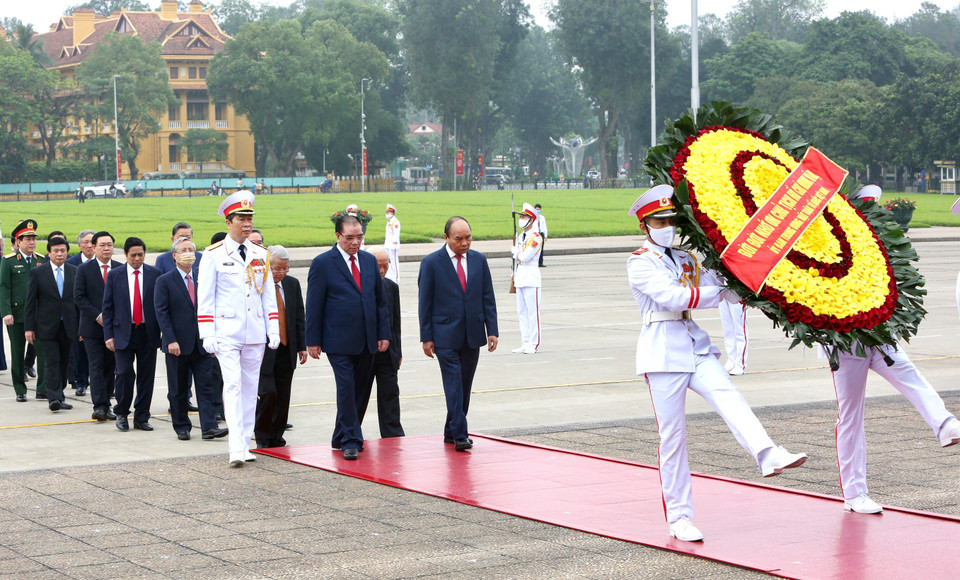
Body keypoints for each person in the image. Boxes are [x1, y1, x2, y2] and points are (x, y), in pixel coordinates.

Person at [626, 185, 807, 542]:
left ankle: (767, 454)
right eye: (659, 221)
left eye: (671, 220)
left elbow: (718, 283)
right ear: (645, 226)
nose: (668, 226)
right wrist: (720, 291)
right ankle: (679, 516)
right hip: (662, 352)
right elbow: (674, 297)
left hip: (694, 344)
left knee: (729, 396)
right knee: (673, 438)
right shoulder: (640, 261)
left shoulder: (686, 258)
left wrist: (748, 277)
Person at [825, 184, 960, 515]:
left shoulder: (876, 244)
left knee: (909, 373)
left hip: (880, 335)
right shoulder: (830, 247)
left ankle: (944, 423)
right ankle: (855, 493)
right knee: (851, 415)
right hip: (846, 343)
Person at [197, 190, 280, 467]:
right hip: (227, 331)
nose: (247, 224)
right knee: (232, 385)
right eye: (241, 219)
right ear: (228, 222)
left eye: (249, 218)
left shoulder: (261, 254)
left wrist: (274, 328)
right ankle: (235, 447)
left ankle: (245, 443)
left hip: (255, 330)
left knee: (250, 387)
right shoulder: (213, 255)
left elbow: (268, 294)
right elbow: (206, 297)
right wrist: (206, 332)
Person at [306, 215, 391, 460]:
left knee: (359, 390)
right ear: (338, 237)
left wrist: (383, 333)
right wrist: (312, 339)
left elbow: (378, 301)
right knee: (346, 388)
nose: (355, 242)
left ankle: (340, 435)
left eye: (359, 237)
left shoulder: (367, 260)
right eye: (349, 238)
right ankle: (352, 440)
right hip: (337, 339)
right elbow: (314, 304)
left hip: (367, 338)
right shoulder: (323, 263)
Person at [418, 217, 498, 451]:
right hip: (444, 335)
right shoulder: (432, 262)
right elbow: (425, 302)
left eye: (468, 237)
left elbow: (487, 297)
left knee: (464, 386)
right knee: (453, 383)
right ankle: (461, 434)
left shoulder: (479, 260)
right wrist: (426, 337)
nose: (465, 243)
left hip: (472, 333)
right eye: (459, 239)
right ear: (446, 238)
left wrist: (492, 330)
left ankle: (451, 429)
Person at [154, 237, 227, 441]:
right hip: (177, 344)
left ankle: (209, 427)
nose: (188, 253)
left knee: (206, 386)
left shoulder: (202, 278)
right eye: (183, 250)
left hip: (201, 343)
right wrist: (170, 340)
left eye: (191, 249)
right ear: (174, 256)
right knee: (178, 388)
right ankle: (182, 426)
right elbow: (162, 313)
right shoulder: (164, 281)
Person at [103, 237, 161, 432]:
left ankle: (142, 416)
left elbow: (160, 306)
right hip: (123, 332)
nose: (137, 258)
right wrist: (108, 335)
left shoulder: (154, 274)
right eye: (133, 255)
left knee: (146, 376)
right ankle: (121, 412)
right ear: (125, 255)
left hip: (147, 333)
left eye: (141, 255)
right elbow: (108, 307)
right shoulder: (115, 275)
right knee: (124, 374)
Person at [255, 245, 306, 448]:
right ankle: (263, 436)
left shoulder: (292, 284)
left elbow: (298, 317)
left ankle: (277, 435)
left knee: (283, 396)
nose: (281, 273)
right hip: (264, 350)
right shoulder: (257, 285)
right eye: (277, 269)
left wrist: (301, 346)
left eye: (285, 268)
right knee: (268, 393)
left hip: (287, 348)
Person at [24, 236, 78, 413]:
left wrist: (80, 326)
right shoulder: (38, 272)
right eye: (56, 251)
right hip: (46, 326)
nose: (60, 254)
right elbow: (30, 302)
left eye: (63, 250)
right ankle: (53, 397)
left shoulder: (74, 271)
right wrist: (29, 328)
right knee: (52, 361)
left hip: (68, 325)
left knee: (64, 361)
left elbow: (78, 302)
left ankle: (59, 394)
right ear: (49, 253)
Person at [74, 231, 121, 421]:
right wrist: (97, 315)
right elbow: (79, 297)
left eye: (109, 245)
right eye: (102, 245)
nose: (106, 248)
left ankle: (107, 403)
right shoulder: (84, 270)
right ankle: (99, 406)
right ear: (94, 247)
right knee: (96, 365)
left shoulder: (119, 268)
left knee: (111, 366)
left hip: (114, 327)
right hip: (92, 328)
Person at [359, 247, 405, 438]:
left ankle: (392, 433)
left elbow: (396, 322)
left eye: (385, 266)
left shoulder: (391, 287)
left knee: (390, 394)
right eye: (378, 266)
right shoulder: (358, 287)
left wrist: (398, 351)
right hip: (364, 351)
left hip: (388, 352)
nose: (382, 271)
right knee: (359, 396)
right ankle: (350, 432)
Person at [1, 220, 47, 402]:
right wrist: (6, 312)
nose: (32, 242)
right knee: (17, 351)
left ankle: (42, 388)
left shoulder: (41, 260)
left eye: (33, 239)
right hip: (17, 315)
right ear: (18, 242)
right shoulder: (9, 261)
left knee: (43, 351)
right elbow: (3, 287)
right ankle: (20, 389)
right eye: (27, 239)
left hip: (38, 315)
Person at [511, 204, 543, 355]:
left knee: (533, 312)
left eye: (524, 217)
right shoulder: (521, 236)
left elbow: (525, 256)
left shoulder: (536, 237)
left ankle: (534, 343)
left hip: (531, 275)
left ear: (531, 220)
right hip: (521, 275)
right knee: (522, 311)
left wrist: (516, 253)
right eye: (521, 217)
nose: (521, 219)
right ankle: (525, 341)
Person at [66, 230, 95, 396]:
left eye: (92, 242)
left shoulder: (106, 264)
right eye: (85, 242)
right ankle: (81, 382)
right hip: (79, 313)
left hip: (100, 314)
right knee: (80, 351)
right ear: (79, 245)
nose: (89, 245)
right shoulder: (72, 264)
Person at [719, 301, 748, 375]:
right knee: (728, 330)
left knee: (740, 330)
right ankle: (731, 361)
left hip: (737, 295)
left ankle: (740, 364)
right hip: (723, 294)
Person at [384, 204, 401, 282]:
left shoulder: (395, 222)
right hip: (388, 245)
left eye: (388, 212)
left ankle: (396, 278)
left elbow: (396, 234)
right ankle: (391, 276)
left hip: (393, 246)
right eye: (387, 212)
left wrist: (394, 245)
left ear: (392, 212)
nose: (387, 213)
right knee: (388, 262)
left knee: (394, 262)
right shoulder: (389, 221)